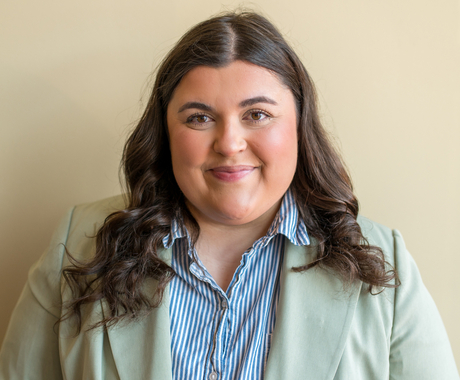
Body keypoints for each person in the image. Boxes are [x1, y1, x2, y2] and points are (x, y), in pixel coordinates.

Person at [0, 10, 458, 380]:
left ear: (299, 127)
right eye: (199, 118)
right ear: (165, 133)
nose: (229, 143)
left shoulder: (383, 264)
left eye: (257, 114)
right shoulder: (76, 246)